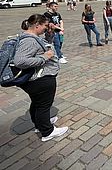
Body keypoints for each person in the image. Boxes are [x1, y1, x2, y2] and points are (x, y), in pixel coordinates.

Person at [14, 14, 69, 142]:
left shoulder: (32, 37)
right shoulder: (29, 40)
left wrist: (49, 33)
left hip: (37, 79)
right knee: (44, 105)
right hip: (39, 79)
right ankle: (47, 131)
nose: (46, 28)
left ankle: (40, 124)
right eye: (44, 26)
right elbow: (20, 61)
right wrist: (44, 57)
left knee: (38, 103)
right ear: (37, 25)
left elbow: (45, 44)